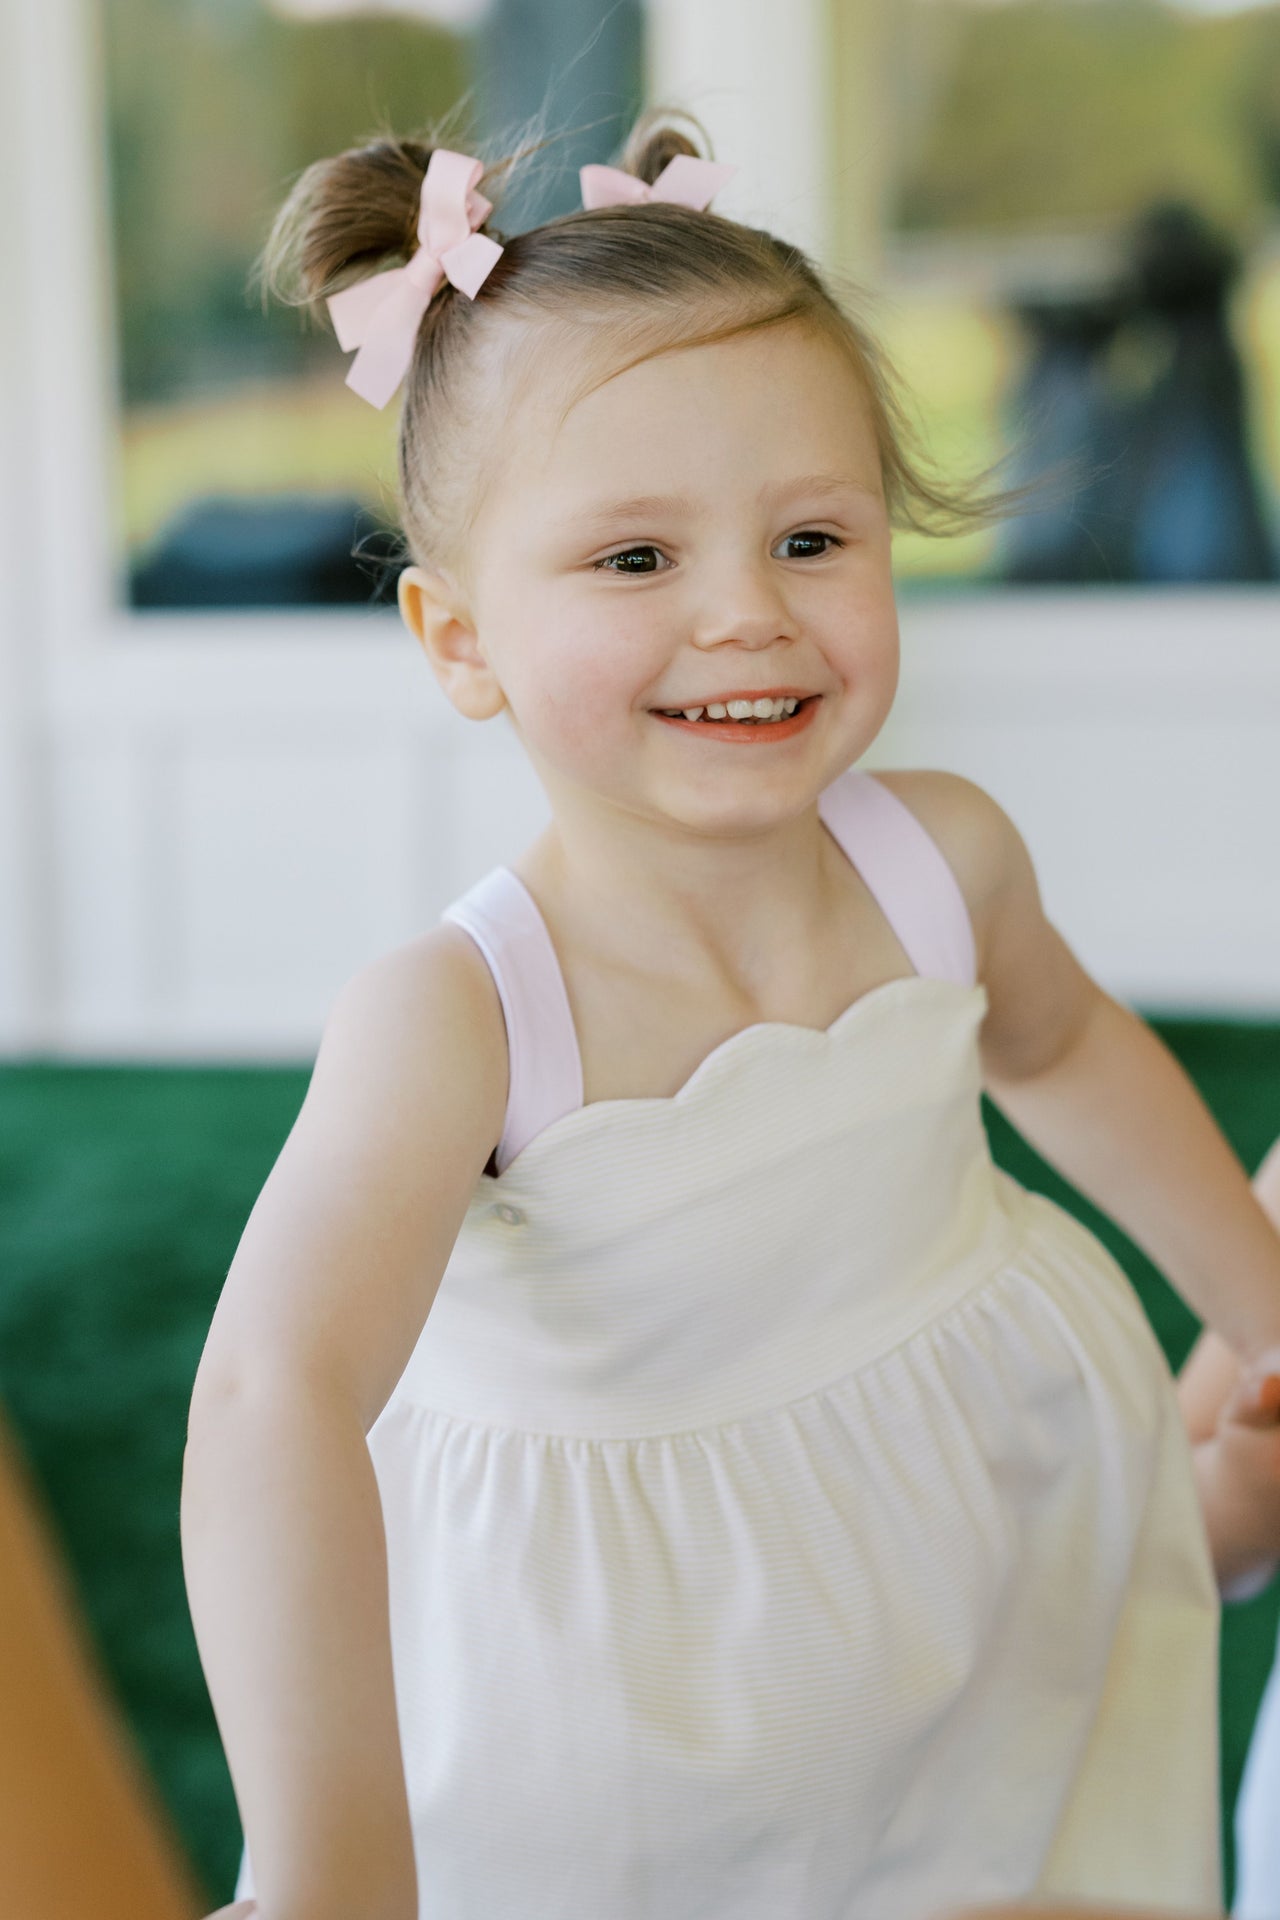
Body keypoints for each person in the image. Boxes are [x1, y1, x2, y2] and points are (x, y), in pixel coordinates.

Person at [181, 113, 1280, 1920]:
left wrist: (1259, 1301)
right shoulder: (461, 1016)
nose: (746, 618)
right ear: (459, 640)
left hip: (956, 1501)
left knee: (1007, 1832)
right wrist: (322, 1861)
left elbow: (1066, 1050)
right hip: (638, 1668)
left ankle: (1179, 1518)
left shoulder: (940, 858)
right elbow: (276, 1394)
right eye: (635, 563)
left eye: (812, 538)